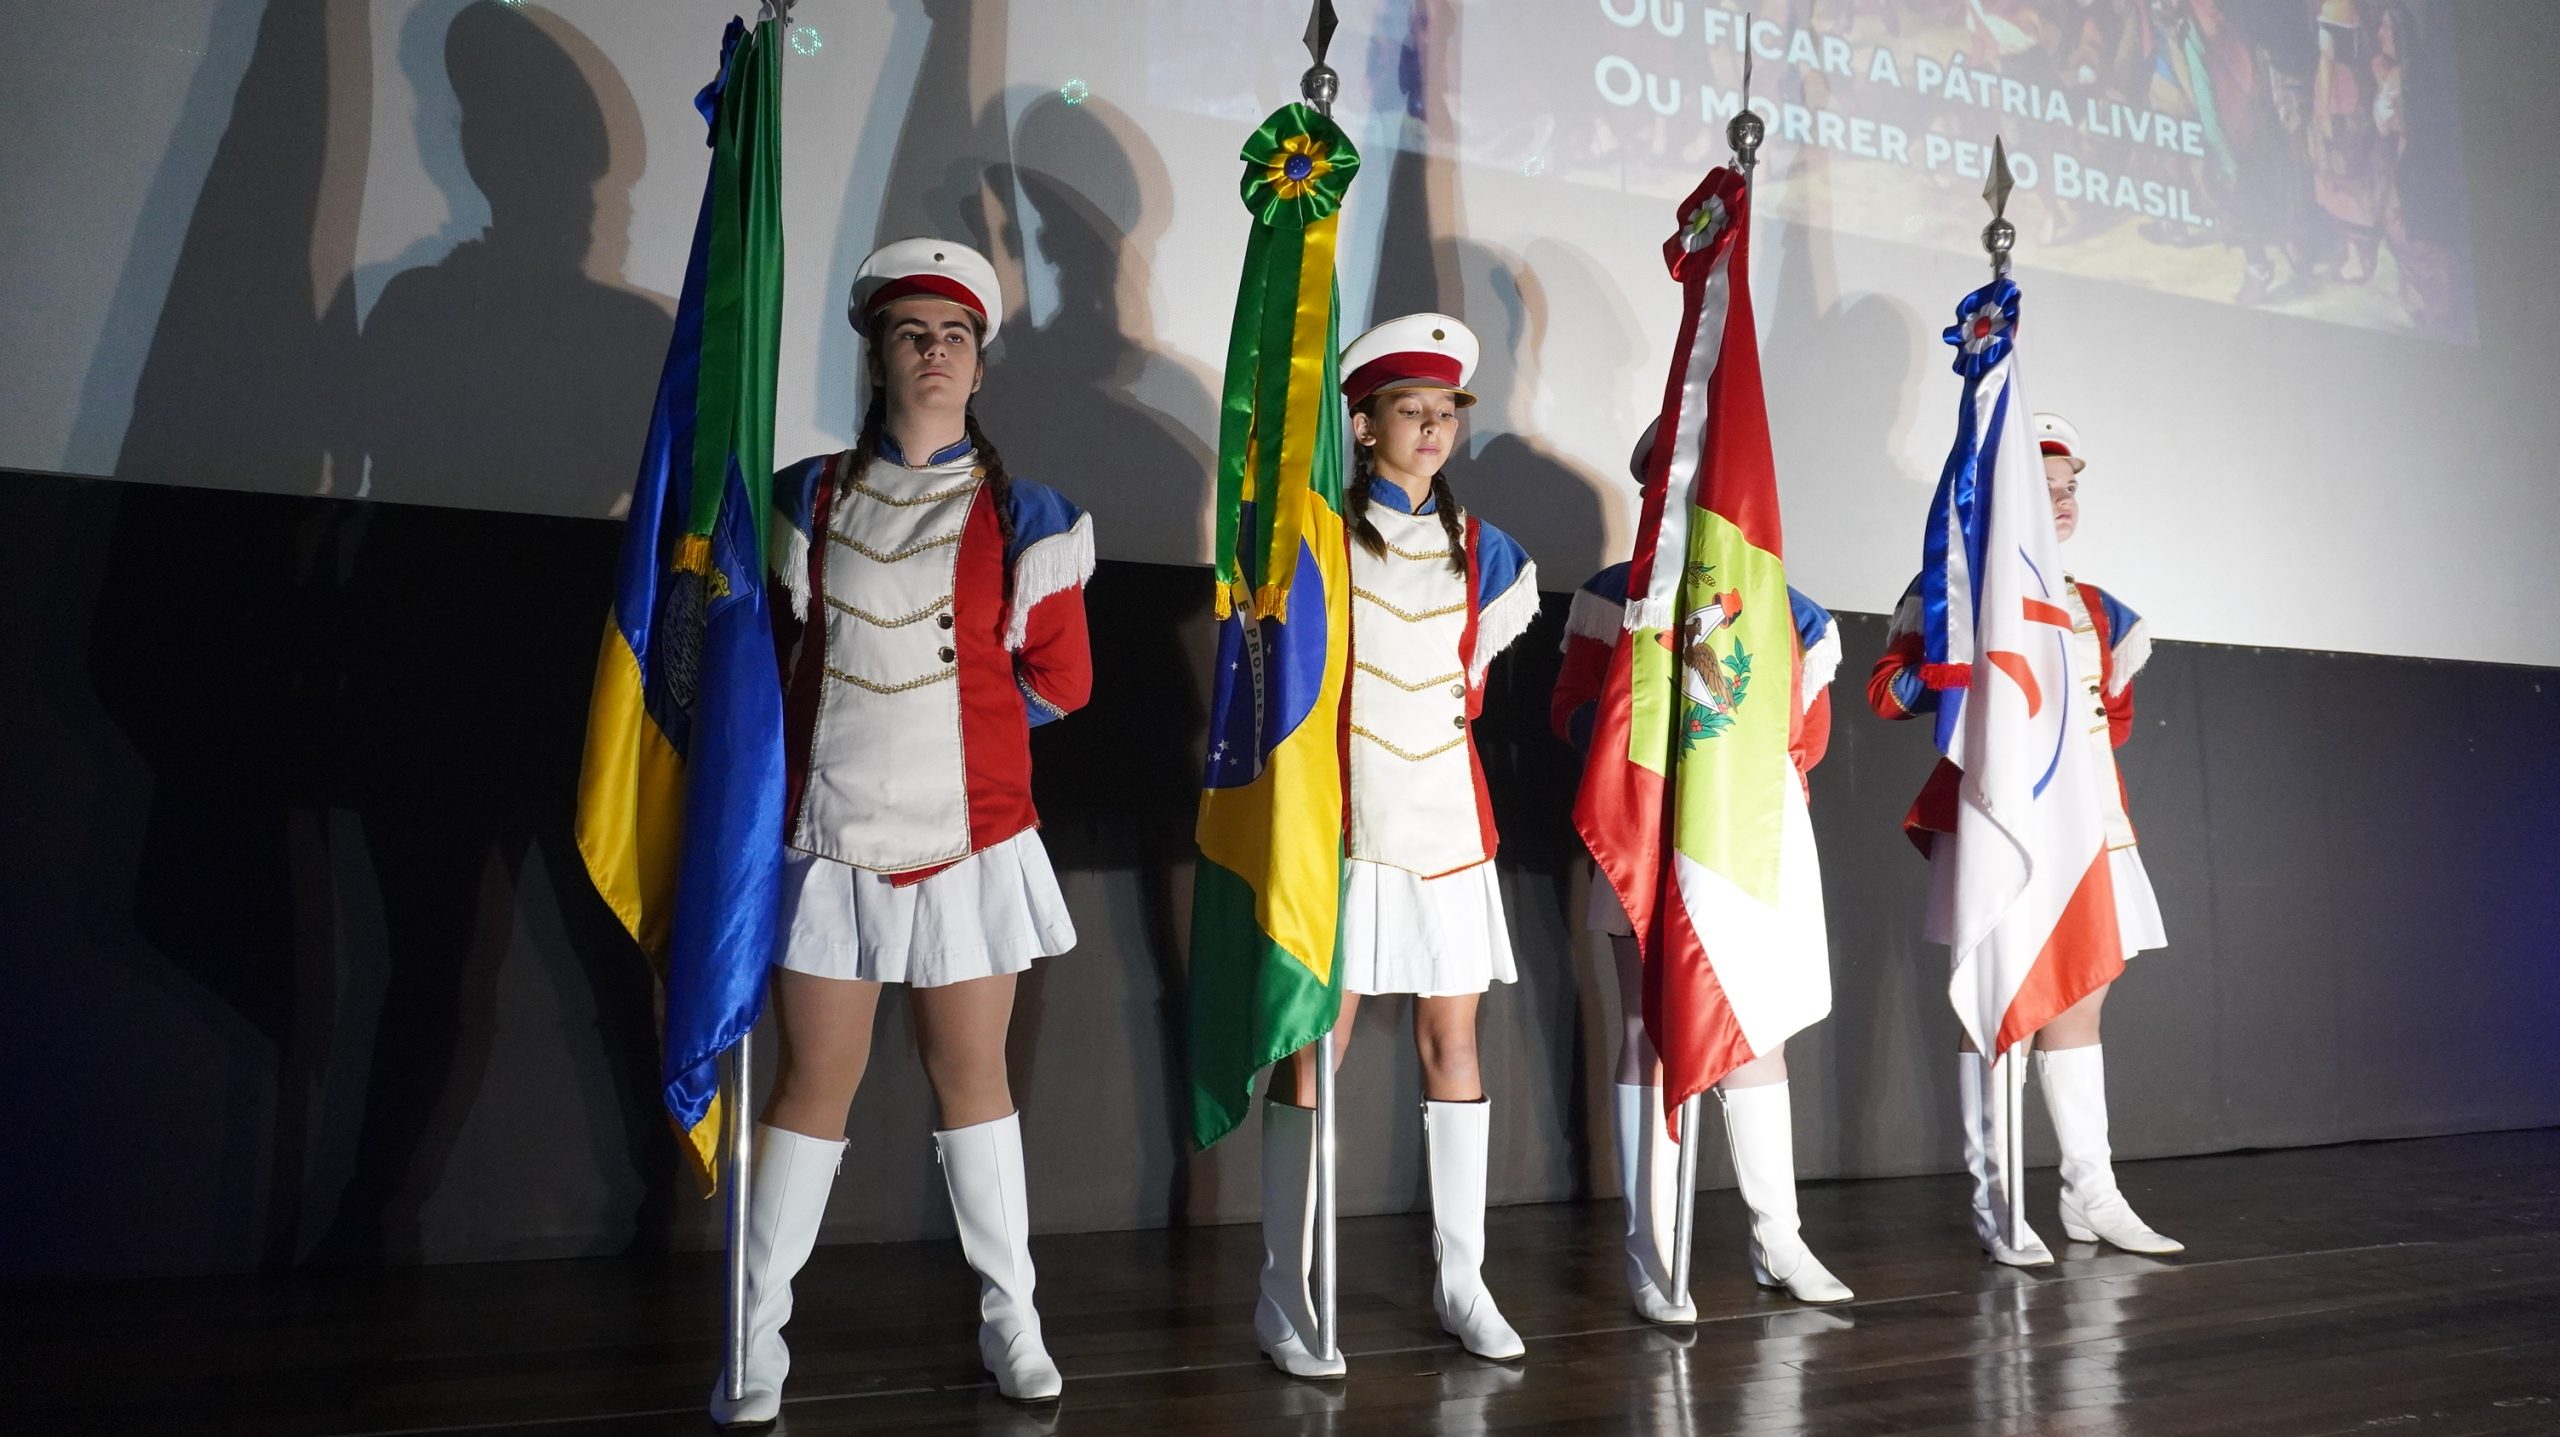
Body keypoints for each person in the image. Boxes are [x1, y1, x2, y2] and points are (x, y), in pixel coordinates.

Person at [714, 238, 1096, 1423]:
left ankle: (1011, 1323)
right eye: (910, 334)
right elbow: (766, 669)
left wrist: (963, 729)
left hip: (970, 837)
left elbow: (1063, 680)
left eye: (955, 337)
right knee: (811, 1080)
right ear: (876, 356)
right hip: (829, 832)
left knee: (972, 1076)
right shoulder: (805, 494)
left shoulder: (1032, 513)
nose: (933, 352)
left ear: (980, 366)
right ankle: (752, 1337)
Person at [1254, 313, 1541, 1377]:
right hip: (1351, 824)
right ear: (1363, 424)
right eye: (1408, 412)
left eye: (1445, 415)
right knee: (1314, 1042)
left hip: (1448, 825)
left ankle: (1461, 1278)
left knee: (1452, 1044)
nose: (1431, 430)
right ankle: (1285, 1287)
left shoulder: (1490, 555)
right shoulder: (1318, 534)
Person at [1549, 423, 1853, 1322]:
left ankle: (1779, 1234)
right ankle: (1653, 1244)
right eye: (1670, 479)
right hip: (1648, 836)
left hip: (1748, 841)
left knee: (1756, 1035)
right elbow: (1569, 708)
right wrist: (1637, 750)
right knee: (1648, 1025)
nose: (1685, 495)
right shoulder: (1616, 596)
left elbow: (1808, 739)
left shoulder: (1791, 606)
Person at [1867, 411, 2182, 1267]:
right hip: (2000, 822)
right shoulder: (1952, 590)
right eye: (2043, 490)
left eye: (2070, 487)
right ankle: (1996, 1195)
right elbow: (1887, 694)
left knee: (2081, 997)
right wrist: (1955, 661)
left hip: (2085, 825)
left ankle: (2092, 1190)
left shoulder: (2103, 609)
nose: (2063, 501)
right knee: (1996, 1003)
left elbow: (2108, 722)